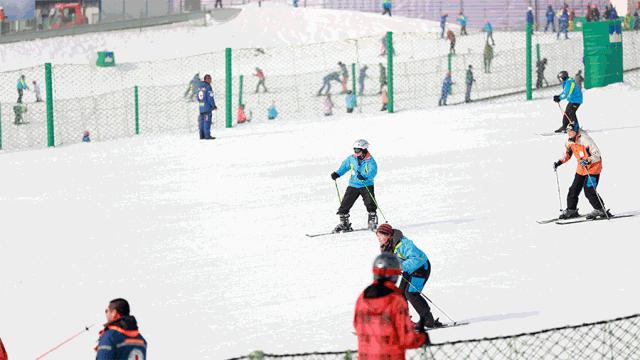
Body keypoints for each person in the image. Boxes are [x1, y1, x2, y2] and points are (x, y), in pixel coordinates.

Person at [353, 253, 429, 359]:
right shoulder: (396, 300)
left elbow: (357, 325)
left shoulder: (362, 298)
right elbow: (406, 338)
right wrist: (422, 338)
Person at [377, 224, 444, 331]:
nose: (379, 239)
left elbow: (416, 258)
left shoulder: (404, 244)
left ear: (388, 235)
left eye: (380, 236)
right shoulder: (387, 246)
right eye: (378, 236)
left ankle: (428, 320)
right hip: (409, 270)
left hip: (421, 268)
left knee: (411, 293)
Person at [553, 123, 610, 220]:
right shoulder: (569, 141)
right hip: (581, 168)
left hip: (593, 168)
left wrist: (588, 160)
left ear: (576, 131)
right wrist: (559, 162)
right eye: (568, 131)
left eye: (571, 131)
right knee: (573, 189)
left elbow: (597, 155)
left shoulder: (585, 140)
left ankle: (600, 209)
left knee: (589, 190)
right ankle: (571, 210)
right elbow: (567, 154)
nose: (569, 133)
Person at [330, 139, 378, 232]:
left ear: (364, 150)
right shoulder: (352, 158)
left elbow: (373, 171)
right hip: (353, 185)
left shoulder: (370, 161)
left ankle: (372, 221)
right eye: (354, 150)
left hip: (366, 185)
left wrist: (364, 176)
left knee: (370, 203)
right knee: (345, 204)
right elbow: (345, 166)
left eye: (358, 150)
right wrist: (337, 173)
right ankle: (344, 224)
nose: (356, 152)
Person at [197, 74, 217, 140]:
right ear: (205, 79)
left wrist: (201, 103)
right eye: (208, 79)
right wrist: (213, 105)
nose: (210, 80)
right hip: (207, 108)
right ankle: (207, 135)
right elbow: (210, 97)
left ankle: (201, 135)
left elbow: (197, 97)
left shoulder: (199, 87)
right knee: (207, 121)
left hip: (201, 107)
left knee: (202, 122)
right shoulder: (208, 87)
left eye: (210, 78)